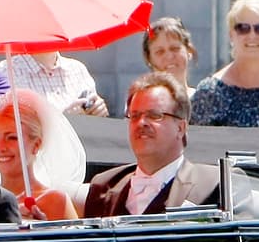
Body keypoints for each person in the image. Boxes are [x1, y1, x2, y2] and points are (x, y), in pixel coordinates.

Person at [78, 72, 220, 217]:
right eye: (135, 116)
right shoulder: (103, 186)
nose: (141, 123)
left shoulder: (214, 184)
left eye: (154, 115)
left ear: (181, 128)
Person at [0, 89, 82, 221]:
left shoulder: (55, 201)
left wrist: (41, 231)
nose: (0, 147)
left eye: (12, 138)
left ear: (36, 145)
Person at [0, 51, 109, 116]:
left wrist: (98, 110)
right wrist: (64, 120)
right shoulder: (4, 73)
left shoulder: (77, 69)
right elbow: (7, 130)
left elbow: (97, 125)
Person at [143, 16, 199, 98]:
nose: (169, 56)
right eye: (160, 52)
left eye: (175, 49)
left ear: (188, 51)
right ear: (149, 59)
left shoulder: (204, 102)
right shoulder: (141, 103)